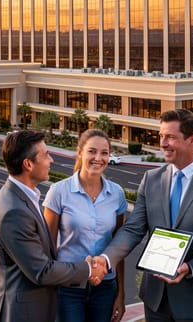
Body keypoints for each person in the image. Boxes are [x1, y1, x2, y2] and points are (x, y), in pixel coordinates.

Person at [98, 108, 193, 322]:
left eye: (170, 137)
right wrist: (106, 259)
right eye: (161, 136)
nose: (162, 143)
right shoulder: (151, 179)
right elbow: (134, 228)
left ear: (192, 139)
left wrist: (190, 268)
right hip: (155, 299)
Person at [0, 130, 106, 322]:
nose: (51, 160)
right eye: (46, 155)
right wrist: (88, 269)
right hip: (22, 314)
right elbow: (41, 271)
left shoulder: (23, 197)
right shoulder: (13, 212)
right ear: (28, 164)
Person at [44, 129, 129, 322]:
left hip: (105, 289)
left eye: (104, 153)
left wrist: (121, 294)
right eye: (92, 151)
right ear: (80, 152)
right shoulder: (58, 192)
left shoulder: (117, 194)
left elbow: (118, 247)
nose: (98, 158)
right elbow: (47, 249)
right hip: (68, 288)